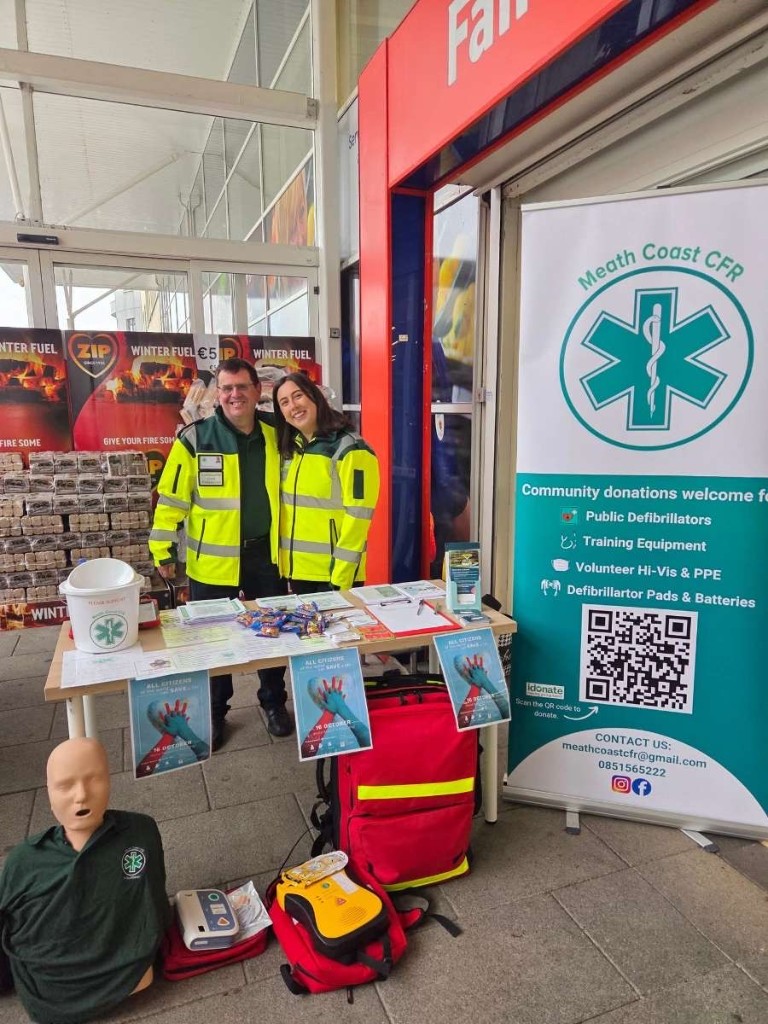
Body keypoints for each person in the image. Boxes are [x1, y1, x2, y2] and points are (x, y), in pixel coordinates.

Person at [149, 357, 293, 749]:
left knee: (271, 635)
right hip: (211, 563)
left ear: (256, 391)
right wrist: (162, 547)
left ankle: (273, 703)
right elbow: (171, 499)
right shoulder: (195, 439)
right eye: (226, 388)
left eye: (241, 387)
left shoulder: (276, 433)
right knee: (213, 641)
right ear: (218, 393)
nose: (234, 395)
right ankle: (215, 711)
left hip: (266, 557)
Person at [0, 738, 170, 1024]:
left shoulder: (141, 833)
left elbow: (154, 903)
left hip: (131, 970)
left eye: (94, 779)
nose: (81, 795)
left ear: (110, 781)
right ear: (49, 794)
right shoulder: (24, 862)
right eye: (65, 786)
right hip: (50, 990)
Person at [272, 372, 380, 594]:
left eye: (298, 396)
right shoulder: (292, 450)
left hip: (332, 576)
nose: (293, 406)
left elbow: (358, 518)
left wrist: (341, 575)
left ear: (314, 397)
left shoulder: (352, 450)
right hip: (298, 573)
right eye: (284, 402)